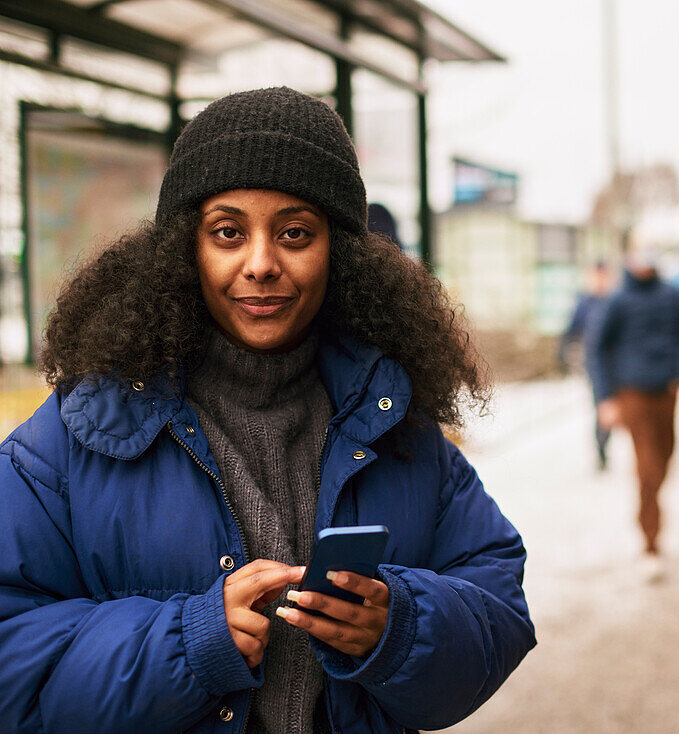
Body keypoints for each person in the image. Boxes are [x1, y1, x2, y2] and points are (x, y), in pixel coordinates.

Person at [0, 87, 535, 733]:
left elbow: (498, 609)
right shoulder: (69, 440)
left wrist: (399, 626)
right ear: (183, 249)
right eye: (228, 232)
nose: (260, 263)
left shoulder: (398, 428)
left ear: (339, 252)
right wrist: (187, 643)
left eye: (294, 233)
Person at [589, 242, 679, 580]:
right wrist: (605, 398)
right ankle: (651, 542)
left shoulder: (673, 296)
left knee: (664, 460)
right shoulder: (617, 300)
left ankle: (651, 513)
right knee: (647, 466)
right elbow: (598, 348)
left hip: (666, 391)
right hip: (632, 394)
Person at [558, 261, 613, 469]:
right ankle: (601, 447)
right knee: (600, 405)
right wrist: (563, 352)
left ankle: (607, 441)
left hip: (616, 365)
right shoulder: (585, 303)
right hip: (594, 365)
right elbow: (571, 329)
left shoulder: (614, 301)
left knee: (612, 407)